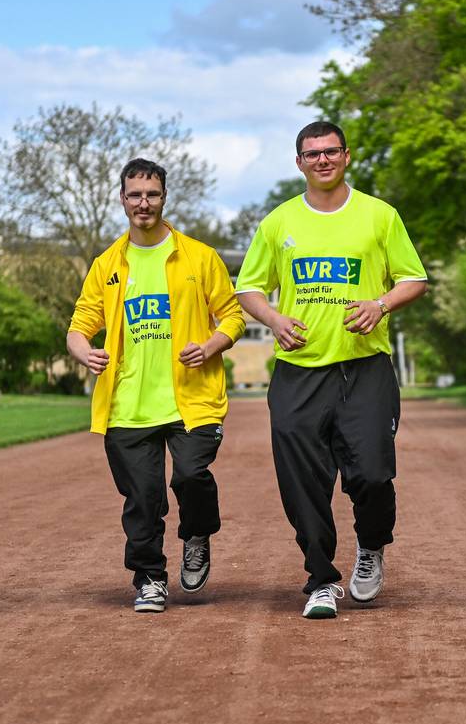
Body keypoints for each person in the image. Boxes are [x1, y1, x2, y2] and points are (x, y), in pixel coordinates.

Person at [235, 121, 427, 619]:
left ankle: (371, 545)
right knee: (303, 482)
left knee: (372, 474)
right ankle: (320, 579)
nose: (322, 160)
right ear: (299, 162)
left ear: (346, 156)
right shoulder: (278, 222)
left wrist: (380, 305)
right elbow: (248, 288)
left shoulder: (379, 215)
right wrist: (274, 319)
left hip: (365, 369)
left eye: (331, 151)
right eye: (312, 153)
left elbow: (414, 278)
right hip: (299, 372)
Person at [67, 158, 245, 613]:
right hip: (128, 404)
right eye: (135, 195)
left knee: (191, 476)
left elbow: (232, 316)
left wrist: (210, 346)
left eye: (151, 194)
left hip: (193, 399)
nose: (143, 203)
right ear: (122, 199)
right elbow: (80, 325)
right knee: (143, 499)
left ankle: (197, 534)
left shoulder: (199, 256)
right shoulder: (107, 264)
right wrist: (84, 351)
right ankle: (149, 578)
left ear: (164, 197)